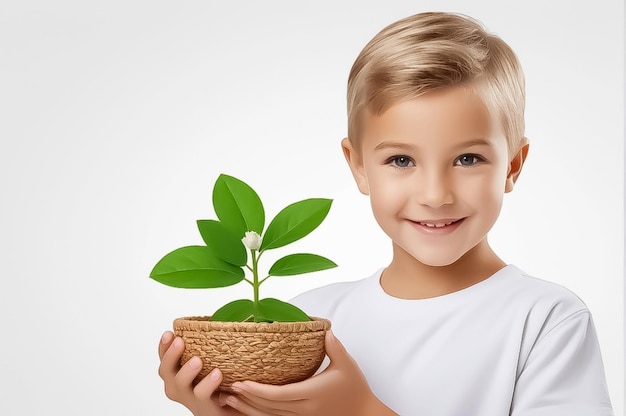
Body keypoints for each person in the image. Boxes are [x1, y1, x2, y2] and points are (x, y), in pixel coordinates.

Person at [157, 11, 614, 415]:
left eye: (468, 159)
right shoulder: (308, 321)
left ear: (513, 166)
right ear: (358, 166)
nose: (435, 195)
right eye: (401, 160)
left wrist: (361, 410)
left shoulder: (546, 321)